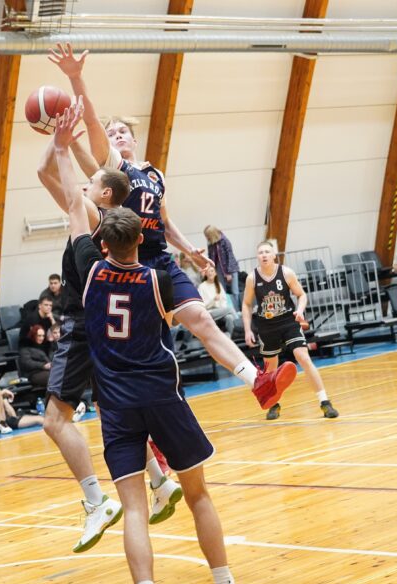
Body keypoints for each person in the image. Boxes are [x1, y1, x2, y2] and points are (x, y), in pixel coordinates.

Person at [53, 106, 250, 584]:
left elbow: (73, 203)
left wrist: (64, 148)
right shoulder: (158, 282)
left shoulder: (89, 270)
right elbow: (199, 324)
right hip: (162, 396)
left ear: (103, 240)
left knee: (135, 511)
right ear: (142, 236)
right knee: (198, 495)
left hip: (116, 408)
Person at [50, 43, 296, 412]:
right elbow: (92, 123)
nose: (117, 135)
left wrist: (190, 251)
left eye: (123, 131)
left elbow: (164, 223)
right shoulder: (115, 170)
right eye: (112, 133)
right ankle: (147, 424)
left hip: (161, 258)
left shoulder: (155, 175)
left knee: (201, 319)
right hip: (130, 263)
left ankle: (258, 382)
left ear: (135, 139)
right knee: (149, 350)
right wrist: (75, 77)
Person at [37, 97, 183, 554]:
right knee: (112, 411)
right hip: (109, 329)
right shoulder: (115, 220)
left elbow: (51, 178)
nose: (86, 182)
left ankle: (96, 501)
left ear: (103, 195)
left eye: (94, 181)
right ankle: (160, 481)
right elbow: (51, 175)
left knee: (54, 421)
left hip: (83, 324)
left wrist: (60, 142)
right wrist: (60, 139)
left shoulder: (92, 216)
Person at [242, 241, 339, 421]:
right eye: (260, 252)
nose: (264, 255)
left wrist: (300, 311)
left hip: (288, 321)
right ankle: (274, 405)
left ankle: (325, 401)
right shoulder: (252, 278)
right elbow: (246, 304)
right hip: (267, 326)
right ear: (257, 256)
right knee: (270, 369)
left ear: (274, 255)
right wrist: (248, 330)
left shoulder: (286, 273)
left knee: (303, 357)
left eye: (267, 252)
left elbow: (301, 295)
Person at [0, 367, 44, 435]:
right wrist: (3, 392)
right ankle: (1, 423)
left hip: (7, 421)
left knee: (39, 419)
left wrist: (5, 400)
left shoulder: (0, 390)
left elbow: (11, 412)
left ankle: (3, 424)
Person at [204, 225, 241, 303]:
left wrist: (228, 273)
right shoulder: (210, 243)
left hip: (230, 268)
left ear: (212, 234)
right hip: (218, 268)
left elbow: (230, 256)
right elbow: (210, 257)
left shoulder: (225, 241)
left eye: (207, 235)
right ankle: (227, 307)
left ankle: (237, 308)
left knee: (235, 291)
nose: (207, 238)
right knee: (222, 290)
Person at [197, 265, 237, 338]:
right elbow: (202, 305)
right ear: (206, 274)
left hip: (220, 310)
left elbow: (224, 301)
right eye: (208, 271)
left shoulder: (218, 284)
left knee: (229, 317)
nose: (210, 273)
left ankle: (230, 338)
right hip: (209, 312)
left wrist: (223, 310)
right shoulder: (202, 287)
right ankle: (240, 324)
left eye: (212, 271)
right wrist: (213, 300)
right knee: (230, 309)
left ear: (215, 273)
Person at [18, 324, 53, 389]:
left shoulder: (45, 346)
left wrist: (51, 343)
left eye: (43, 336)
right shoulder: (25, 346)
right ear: (33, 335)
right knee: (55, 377)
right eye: (39, 336)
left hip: (47, 371)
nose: (41, 338)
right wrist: (43, 365)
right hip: (33, 373)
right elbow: (26, 363)